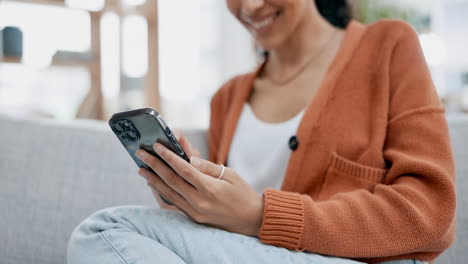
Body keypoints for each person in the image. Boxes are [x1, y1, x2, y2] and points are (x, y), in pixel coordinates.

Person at [67, 0, 456, 263]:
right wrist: (184, 193)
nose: (250, 7)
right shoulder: (228, 97)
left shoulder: (387, 47)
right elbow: (224, 237)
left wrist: (260, 215)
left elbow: (432, 213)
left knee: (103, 231)